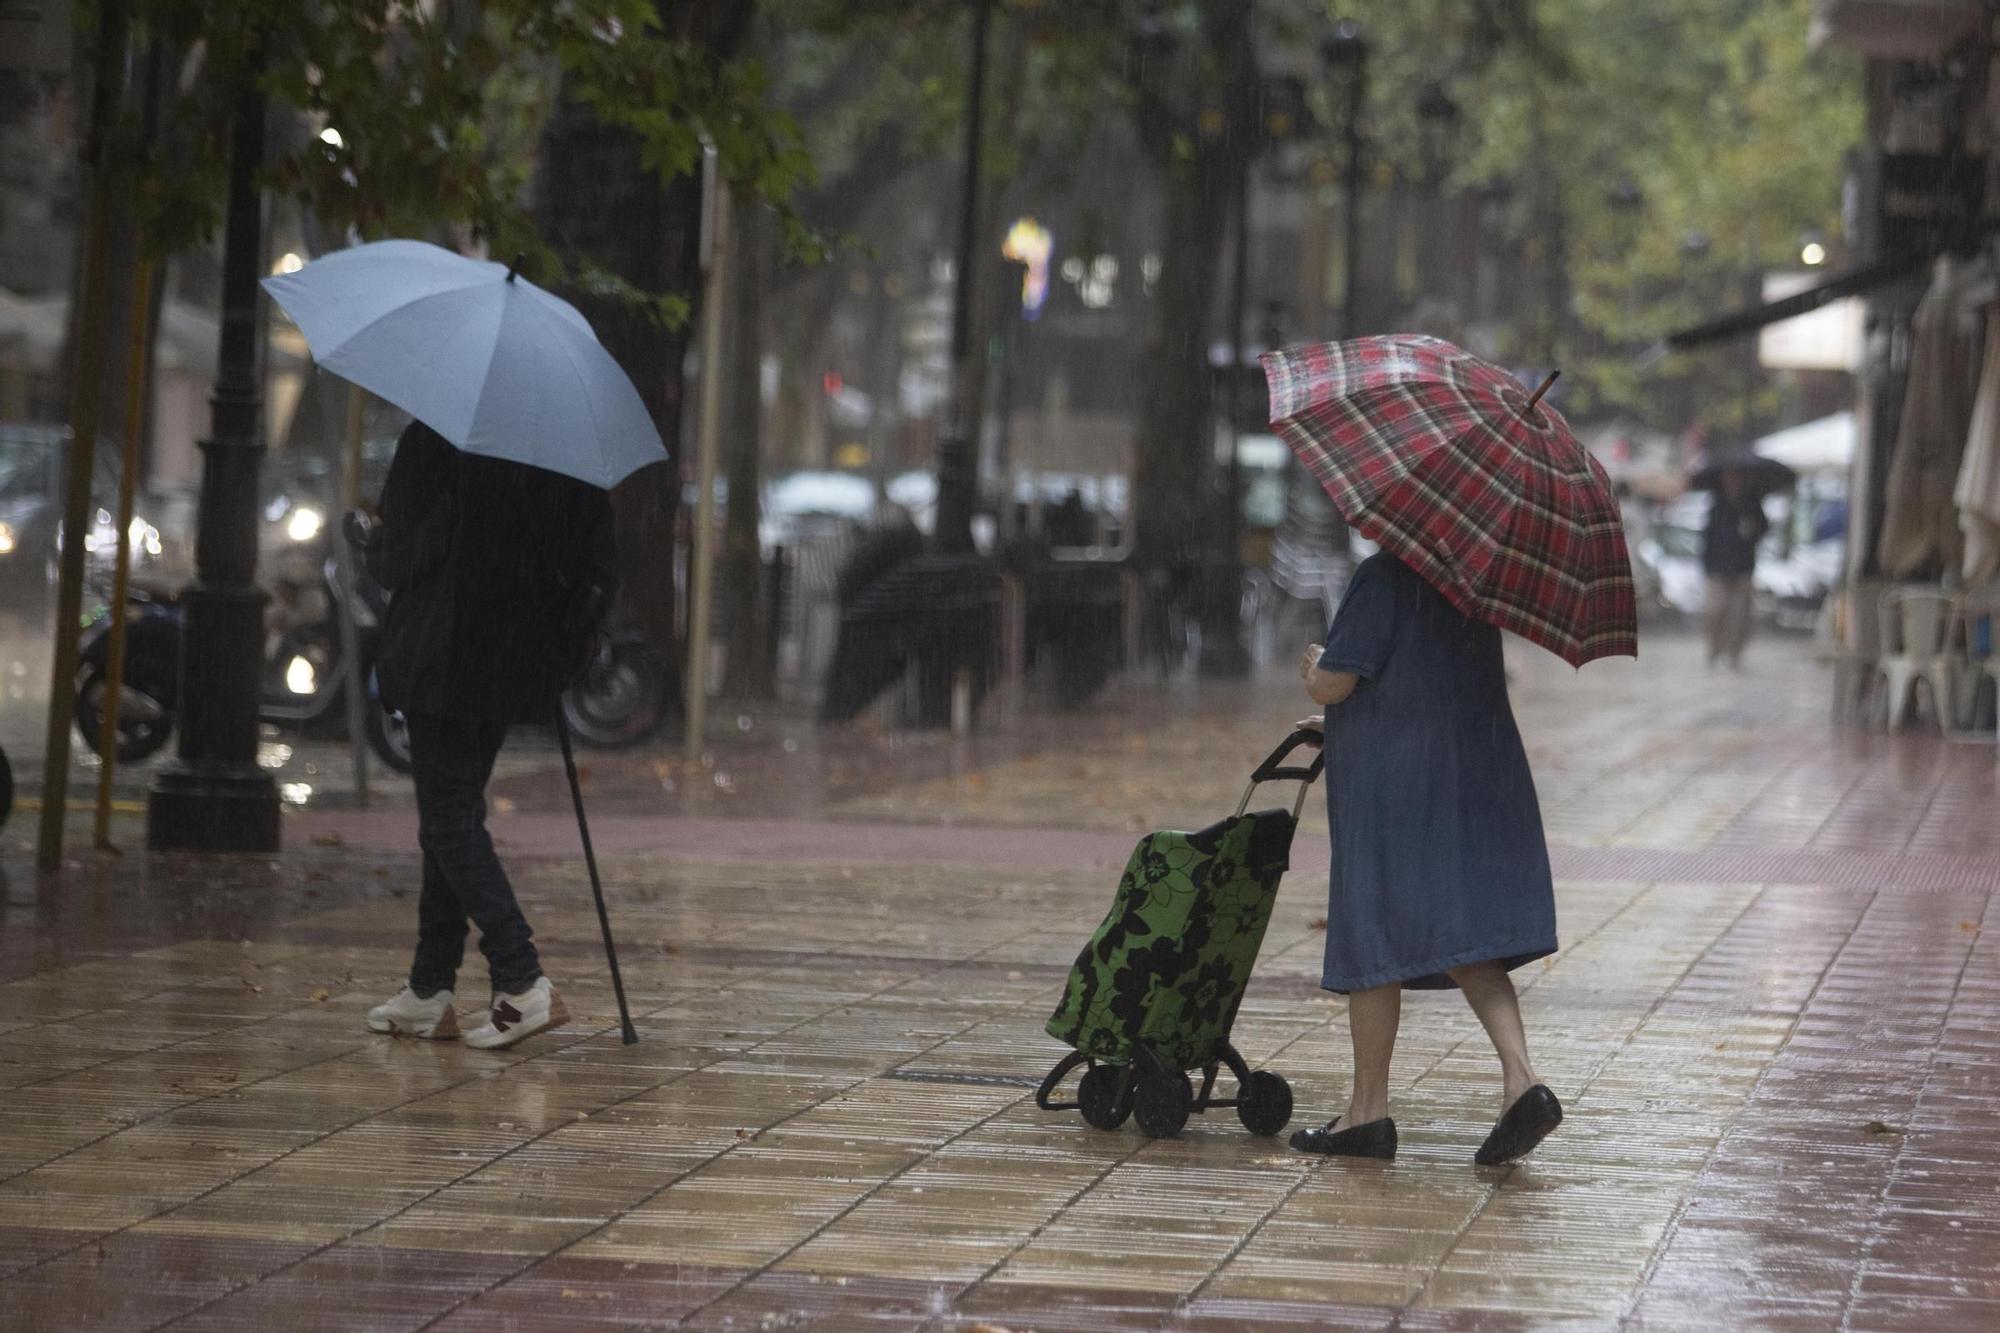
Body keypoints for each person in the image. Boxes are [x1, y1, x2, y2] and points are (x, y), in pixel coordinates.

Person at [1290, 550, 1563, 1166]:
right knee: (1466, 939)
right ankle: (1522, 1081)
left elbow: (1337, 681)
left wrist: (1313, 670)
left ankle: (1367, 1114)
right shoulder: (1472, 584)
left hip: (1398, 787)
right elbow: (1430, 681)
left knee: (1374, 938)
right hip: (1472, 775)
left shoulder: (1383, 576)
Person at [357, 420, 616, 1049]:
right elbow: (593, 559)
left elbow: (399, 559)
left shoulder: (434, 437)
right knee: (454, 818)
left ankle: (519, 977)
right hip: (508, 660)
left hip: (441, 653)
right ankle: (428, 987)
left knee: (448, 821)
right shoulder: (556, 449)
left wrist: (372, 539)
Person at [1702, 468, 1767, 669]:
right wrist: (1707, 564)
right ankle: (1715, 647)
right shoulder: (1717, 505)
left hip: (1743, 567)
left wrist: (1752, 529)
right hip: (1719, 568)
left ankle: (1735, 653)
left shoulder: (1751, 504)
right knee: (1715, 611)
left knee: (1740, 615)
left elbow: (1763, 528)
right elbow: (1707, 537)